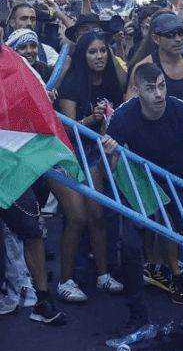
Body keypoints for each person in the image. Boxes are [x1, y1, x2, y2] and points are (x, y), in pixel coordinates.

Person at [102, 64, 183, 333]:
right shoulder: (122, 117)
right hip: (142, 181)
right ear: (137, 91)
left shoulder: (182, 110)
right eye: (151, 89)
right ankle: (137, 313)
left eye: (162, 85)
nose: (159, 94)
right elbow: (111, 170)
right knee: (129, 245)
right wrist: (109, 153)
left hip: (180, 180)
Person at [52, 29, 127, 304]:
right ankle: (65, 280)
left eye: (103, 51)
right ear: (83, 56)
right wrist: (92, 119)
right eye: (93, 51)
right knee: (78, 217)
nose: (99, 56)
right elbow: (68, 130)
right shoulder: (72, 84)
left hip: (101, 154)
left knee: (98, 215)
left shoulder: (110, 82)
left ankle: (103, 275)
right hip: (73, 155)